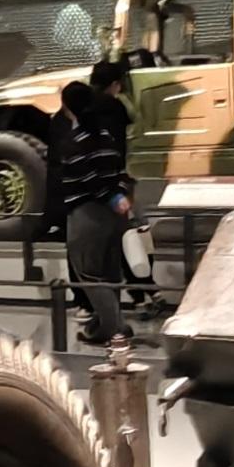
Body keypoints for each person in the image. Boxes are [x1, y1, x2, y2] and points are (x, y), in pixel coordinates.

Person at [52, 62, 137, 348]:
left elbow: (87, 179)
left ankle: (115, 329)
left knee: (89, 273)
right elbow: (117, 171)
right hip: (113, 214)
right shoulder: (105, 136)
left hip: (87, 214)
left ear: (67, 107)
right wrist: (118, 196)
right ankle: (108, 325)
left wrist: (107, 195)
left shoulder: (73, 141)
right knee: (110, 272)